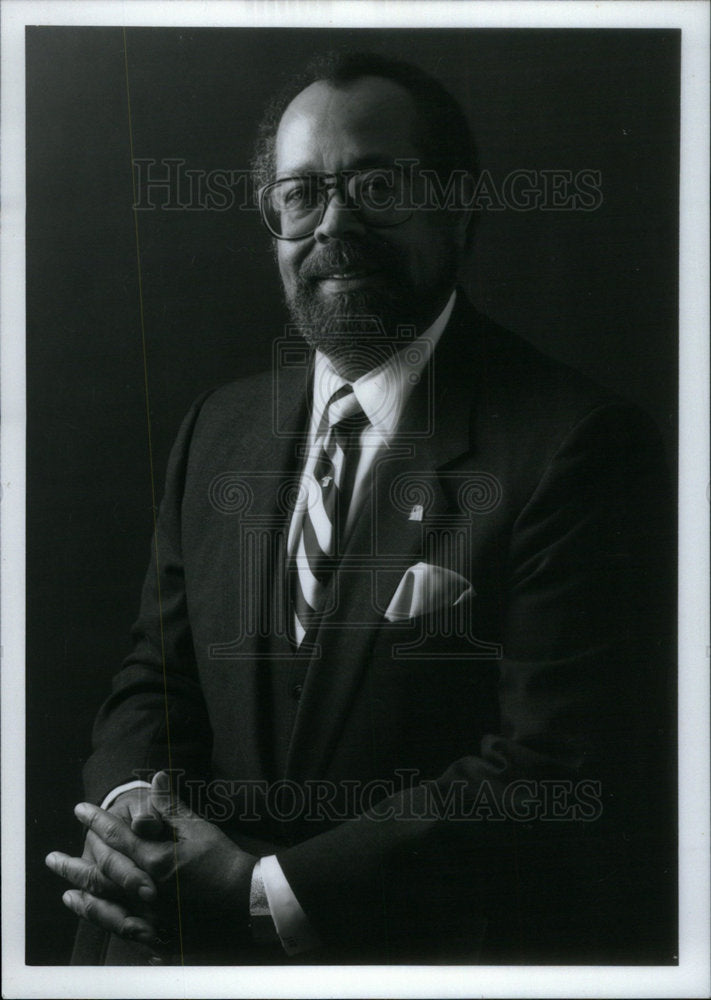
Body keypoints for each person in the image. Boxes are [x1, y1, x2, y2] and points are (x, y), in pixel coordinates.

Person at [46, 50, 675, 966]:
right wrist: (133, 806)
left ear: (457, 205)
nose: (334, 224)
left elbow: (551, 766)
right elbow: (156, 675)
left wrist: (259, 892)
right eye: (300, 195)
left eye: (376, 185)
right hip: (168, 951)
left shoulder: (575, 446)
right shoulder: (215, 430)